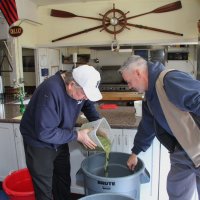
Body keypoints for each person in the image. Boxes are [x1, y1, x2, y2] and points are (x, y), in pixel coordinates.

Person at [119, 55, 200, 200]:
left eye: (129, 81)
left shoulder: (169, 80)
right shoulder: (149, 96)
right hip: (181, 153)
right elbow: (147, 126)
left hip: (197, 147)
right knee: (176, 192)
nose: (129, 86)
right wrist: (135, 153)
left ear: (138, 73)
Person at [20, 65, 102, 200]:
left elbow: (86, 104)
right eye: (84, 94)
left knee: (62, 180)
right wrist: (77, 135)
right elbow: (45, 132)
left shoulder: (79, 93)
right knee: (44, 188)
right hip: (39, 144)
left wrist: (97, 122)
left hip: (60, 138)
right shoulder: (50, 91)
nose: (85, 97)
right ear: (71, 85)